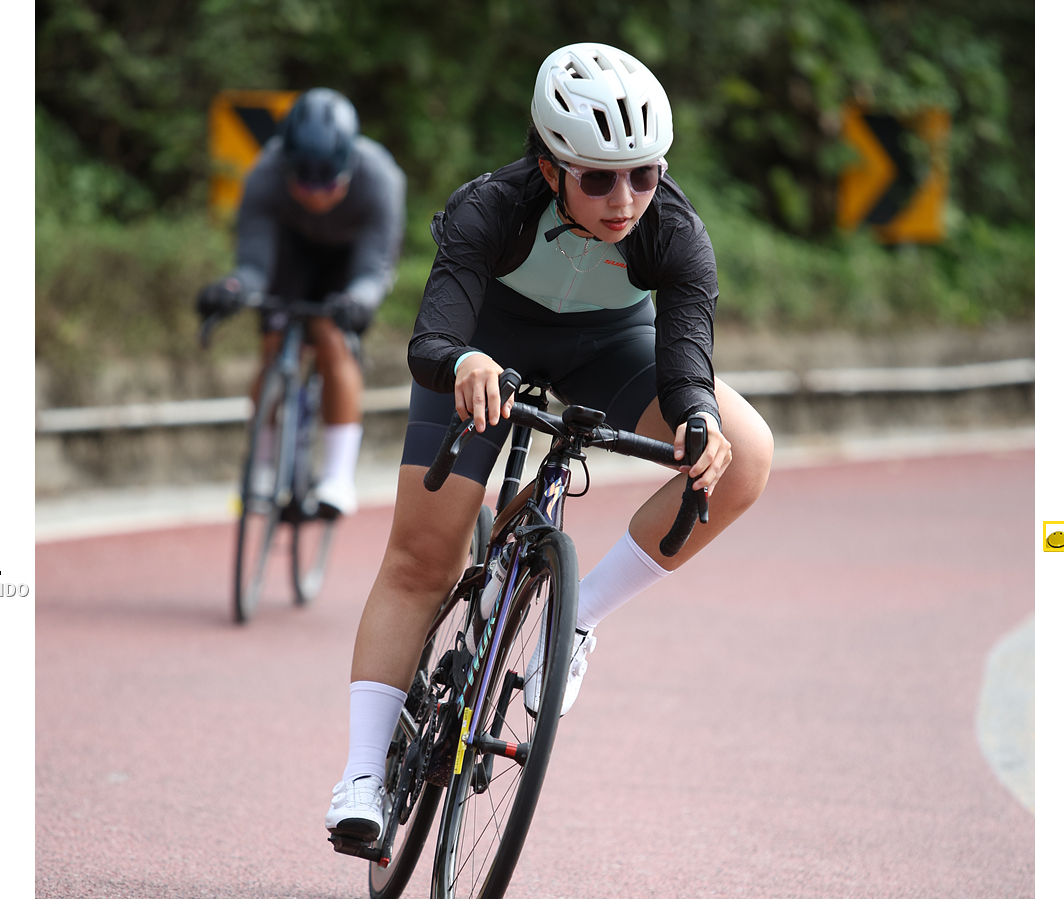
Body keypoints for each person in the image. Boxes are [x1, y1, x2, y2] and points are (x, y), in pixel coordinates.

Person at [325, 42, 773, 844]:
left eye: (644, 174)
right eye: (597, 179)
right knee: (421, 560)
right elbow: (432, 340)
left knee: (745, 452)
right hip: (485, 351)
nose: (625, 199)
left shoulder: (673, 229)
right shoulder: (489, 208)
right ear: (549, 166)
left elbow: (686, 366)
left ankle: (577, 620)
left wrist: (698, 418)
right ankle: (361, 777)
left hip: (608, 349)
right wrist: (463, 362)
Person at [196, 88, 406, 516]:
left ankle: (337, 477)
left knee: (333, 338)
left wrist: (359, 302)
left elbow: (373, 272)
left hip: (349, 261)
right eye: (303, 181)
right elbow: (254, 266)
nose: (315, 194)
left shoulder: (380, 178)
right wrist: (233, 289)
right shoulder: (264, 173)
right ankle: (261, 463)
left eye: (328, 182)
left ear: (349, 165)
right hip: (289, 251)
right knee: (273, 341)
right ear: (285, 165)